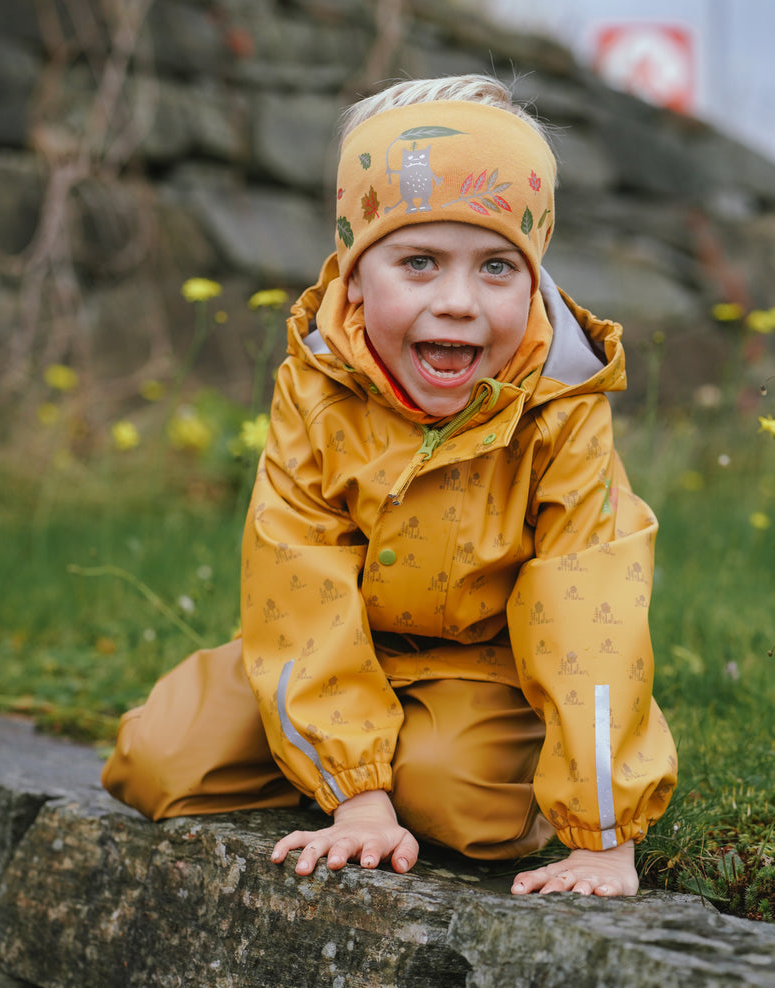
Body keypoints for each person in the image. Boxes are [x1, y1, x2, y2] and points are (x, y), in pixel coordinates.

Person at [102, 74, 677, 897]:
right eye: (418, 261)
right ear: (354, 274)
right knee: (155, 761)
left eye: (495, 268)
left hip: (486, 666)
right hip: (340, 643)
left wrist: (602, 835)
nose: (457, 302)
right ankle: (348, 751)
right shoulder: (316, 387)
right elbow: (296, 582)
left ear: (533, 276)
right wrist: (360, 800)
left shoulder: (559, 408)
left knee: (462, 803)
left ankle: (432, 761)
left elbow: (592, 611)